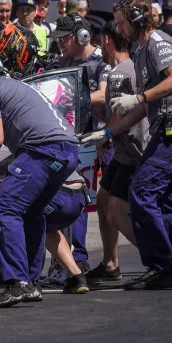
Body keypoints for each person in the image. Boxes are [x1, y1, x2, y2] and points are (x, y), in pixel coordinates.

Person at [82, 0, 172, 290]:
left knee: (141, 190)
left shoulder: (158, 43)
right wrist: (107, 133)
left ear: (137, 20)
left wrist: (138, 97)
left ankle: (162, 267)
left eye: (121, 22)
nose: (119, 29)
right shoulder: (141, 51)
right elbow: (143, 106)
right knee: (167, 201)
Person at [0, 51, 79, 307]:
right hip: (68, 150)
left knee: (4, 209)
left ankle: (17, 282)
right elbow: (18, 151)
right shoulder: (19, 86)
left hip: (42, 150)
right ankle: (31, 284)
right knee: (33, 213)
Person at [84, 21, 146, 283]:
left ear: (107, 41)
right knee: (102, 200)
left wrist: (102, 137)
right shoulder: (130, 67)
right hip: (123, 151)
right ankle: (110, 263)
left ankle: (157, 259)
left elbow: (118, 117)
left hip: (131, 151)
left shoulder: (120, 73)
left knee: (115, 211)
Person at [51, 13, 111, 269]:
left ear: (81, 36)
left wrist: (72, 94)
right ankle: (75, 258)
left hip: (97, 138)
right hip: (69, 138)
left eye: (64, 39)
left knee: (96, 201)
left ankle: (96, 259)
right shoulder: (60, 61)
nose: (60, 44)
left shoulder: (102, 62)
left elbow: (105, 94)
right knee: (71, 196)